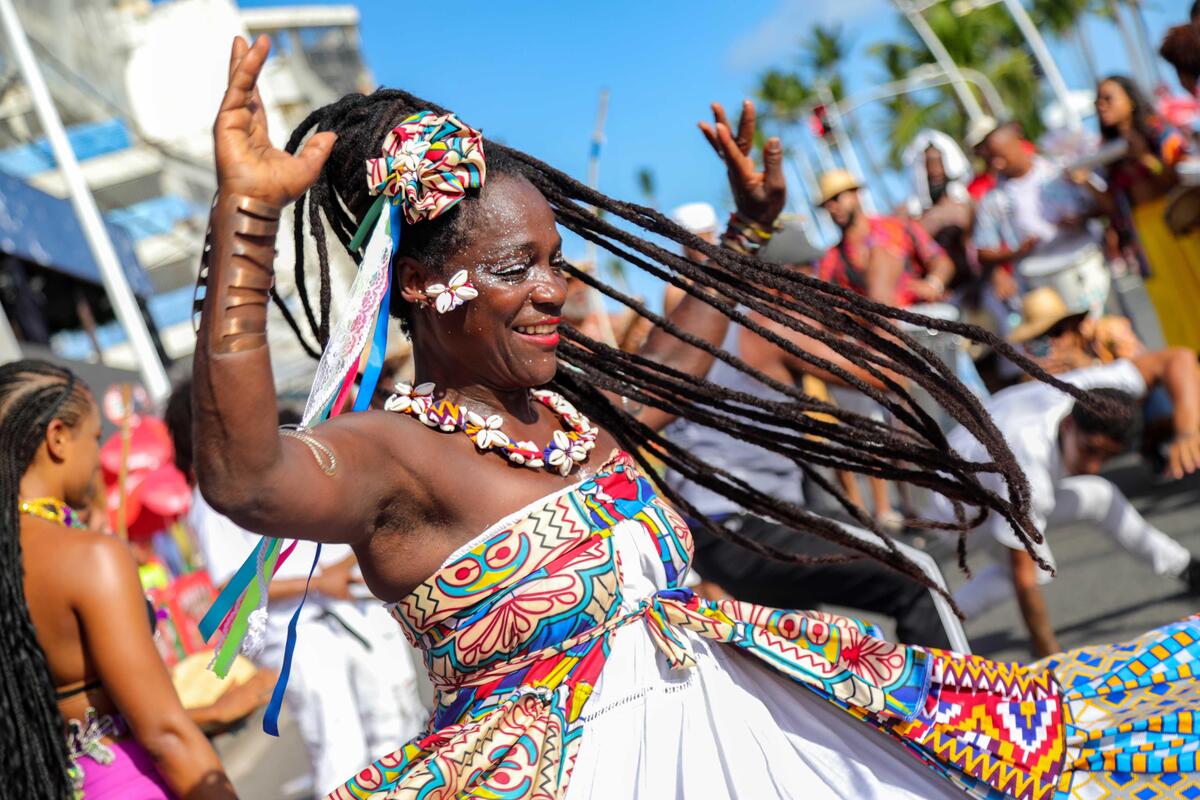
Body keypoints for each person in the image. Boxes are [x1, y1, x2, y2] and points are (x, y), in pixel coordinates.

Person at [196, 35, 1200, 800]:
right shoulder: (391, 453)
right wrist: (245, 215)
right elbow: (244, 474)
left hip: (759, 743)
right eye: (515, 268)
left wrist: (744, 232)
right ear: (419, 284)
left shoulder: (569, 414)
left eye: (555, 259)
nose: (552, 289)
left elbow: (670, 368)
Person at [665, 225, 953, 648]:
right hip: (749, 525)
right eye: (811, 272)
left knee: (808, 652)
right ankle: (952, 708)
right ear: (786, 279)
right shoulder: (769, 326)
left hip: (708, 534)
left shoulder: (693, 330)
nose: (820, 281)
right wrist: (874, 312)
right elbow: (887, 375)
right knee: (917, 576)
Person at [165, 381, 427, 796]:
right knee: (341, 749)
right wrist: (323, 582)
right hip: (297, 633)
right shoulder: (211, 495)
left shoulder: (275, 466)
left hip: (345, 610)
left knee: (394, 727)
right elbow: (232, 583)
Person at [2, 359, 234, 798]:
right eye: (93, 438)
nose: (96, 459)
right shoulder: (90, 558)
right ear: (57, 438)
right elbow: (167, 736)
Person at [929, 355, 1200, 658]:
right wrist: (1049, 655)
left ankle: (1186, 567)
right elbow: (1024, 576)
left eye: (1107, 458)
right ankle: (934, 624)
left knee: (1100, 496)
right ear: (1069, 423)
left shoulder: (1089, 393)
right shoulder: (1028, 470)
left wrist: (1188, 430)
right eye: (1090, 451)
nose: (1094, 465)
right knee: (1039, 568)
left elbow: (1176, 358)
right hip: (955, 511)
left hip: (976, 469)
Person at [1094, 74, 1200, 352]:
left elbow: (1181, 178)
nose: (1101, 105)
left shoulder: (1158, 131)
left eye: (1108, 98)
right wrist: (1084, 182)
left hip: (1179, 223)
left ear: (1130, 99)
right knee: (1172, 301)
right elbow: (1114, 206)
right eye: (1098, 100)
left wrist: (1145, 158)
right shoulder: (1106, 153)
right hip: (1144, 235)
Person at [816, 168, 955, 308]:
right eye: (827, 205)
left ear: (856, 194)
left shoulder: (898, 227)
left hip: (919, 313)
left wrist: (933, 284)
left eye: (836, 198)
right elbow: (828, 304)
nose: (833, 207)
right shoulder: (831, 258)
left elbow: (940, 261)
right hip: (874, 324)